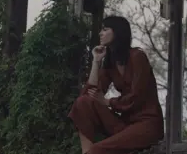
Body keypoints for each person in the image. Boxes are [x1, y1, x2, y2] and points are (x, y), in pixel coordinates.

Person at [68, 16, 164, 154]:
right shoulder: (111, 62)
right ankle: (86, 151)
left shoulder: (137, 57)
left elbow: (136, 97)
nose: (100, 33)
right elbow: (90, 94)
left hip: (146, 125)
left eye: (105, 29)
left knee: (98, 150)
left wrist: (108, 102)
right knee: (83, 102)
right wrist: (96, 62)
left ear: (118, 32)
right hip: (125, 124)